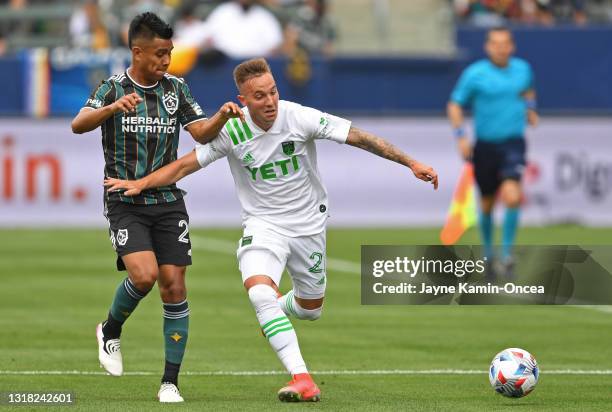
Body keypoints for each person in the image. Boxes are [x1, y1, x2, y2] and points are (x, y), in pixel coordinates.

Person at [104, 57, 438, 402]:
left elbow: (359, 137)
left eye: (274, 91)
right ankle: (302, 378)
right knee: (260, 294)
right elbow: (184, 166)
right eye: (260, 96)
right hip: (262, 227)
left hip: (309, 226)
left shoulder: (300, 117)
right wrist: (140, 183)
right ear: (244, 99)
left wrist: (411, 163)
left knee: (311, 309)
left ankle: (277, 311)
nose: (270, 101)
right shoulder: (232, 130)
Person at [70, 12, 243, 403]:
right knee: (144, 276)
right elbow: (78, 124)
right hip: (124, 199)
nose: (166, 61)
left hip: (167, 200)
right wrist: (112, 110)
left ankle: (170, 382)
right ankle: (110, 330)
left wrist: (220, 117)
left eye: (169, 53)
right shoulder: (113, 87)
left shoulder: (176, 89)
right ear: (137, 51)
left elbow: (199, 131)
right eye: (160, 53)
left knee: (174, 285)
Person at [447, 27, 538, 278]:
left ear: (512, 46)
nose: (501, 48)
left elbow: (528, 90)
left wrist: (531, 108)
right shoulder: (475, 74)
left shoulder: (523, 69)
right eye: (496, 43)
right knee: (486, 204)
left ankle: (507, 256)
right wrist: (460, 136)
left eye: (505, 43)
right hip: (485, 146)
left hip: (513, 143)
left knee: (511, 195)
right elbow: (455, 105)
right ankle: (489, 255)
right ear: (488, 47)